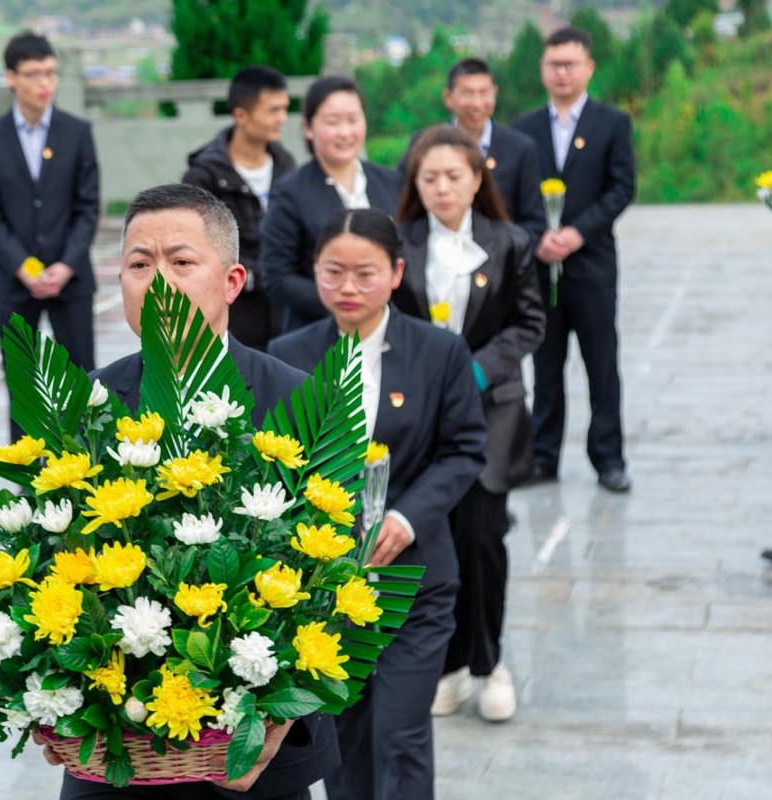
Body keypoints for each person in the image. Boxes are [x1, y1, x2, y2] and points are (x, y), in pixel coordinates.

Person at [37, 184, 340, 800]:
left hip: (256, 761)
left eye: (180, 262)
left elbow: (337, 573)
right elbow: (48, 562)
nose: (157, 281)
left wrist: (271, 726)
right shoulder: (80, 406)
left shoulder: (301, 402)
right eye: (139, 265)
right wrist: (46, 700)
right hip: (113, 757)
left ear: (231, 281)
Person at [268, 209, 487, 800]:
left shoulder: (438, 350)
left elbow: (465, 450)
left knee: (400, 732)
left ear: (395, 272)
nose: (347, 288)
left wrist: (406, 516)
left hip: (415, 580)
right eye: (332, 272)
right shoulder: (288, 353)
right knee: (342, 737)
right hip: (326, 588)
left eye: (364, 274)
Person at [394, 125, 545, 723]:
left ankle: (490, 663)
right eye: (428, 177)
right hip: (423, 418)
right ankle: (451, 665)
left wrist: (474, 371)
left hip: (490, 409)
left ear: (478, 178)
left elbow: (529, 324)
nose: (441, 187)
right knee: (438, 541)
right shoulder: (399, 243)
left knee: (484, 539)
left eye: (453, 175)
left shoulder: (508, 242)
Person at [513, 26, 636, 493]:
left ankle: (608, 458)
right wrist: (536, 236)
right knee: (545, 364)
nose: (562, 72)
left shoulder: (611, 123)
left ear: (588, 68)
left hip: (593, 265)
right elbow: (516, 195)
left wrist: (580, 232)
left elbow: (622, 187)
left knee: (601, 363)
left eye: (570, 64)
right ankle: (543, 456)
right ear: (543, 69)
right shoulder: (523, 129)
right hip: (540, 267)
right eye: (553, 64)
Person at [0, 31, 100, 441]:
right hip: (17, 281)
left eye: (50, 73)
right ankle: (28, 484)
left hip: (72, 277)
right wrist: (26, 268)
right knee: (24, 387)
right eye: (33, 74)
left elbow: (88, 207)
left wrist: (64, 265)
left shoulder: (77, 132)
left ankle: (85, 471)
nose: (45, 83)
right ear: (11, 78)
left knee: (81, 382)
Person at [261, 76, 402, 334]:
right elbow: (277, 279)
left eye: (353, 120)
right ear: (308, 127)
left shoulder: (391, 182)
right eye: (333, 122)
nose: (345, 132)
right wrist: (346, 299)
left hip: (387, 330)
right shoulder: (290, 193)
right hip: (317, 334)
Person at [182, 65, 296, 351]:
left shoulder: (286, 166)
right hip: (234, 313)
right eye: (272, 110)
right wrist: (257, 273)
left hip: (283, 313)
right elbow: (196, 243)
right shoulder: (205, 176)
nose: (282, 119)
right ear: (240, 115)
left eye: (284, 109)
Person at [398, 58, 546, 243]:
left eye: (484, 93)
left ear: (494, 94)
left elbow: (534, 222)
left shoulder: (520, 148)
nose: (477, 104)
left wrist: (505, 253)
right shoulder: (424, 144)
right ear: (448, 97)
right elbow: (402, 202)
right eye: (467, 94)